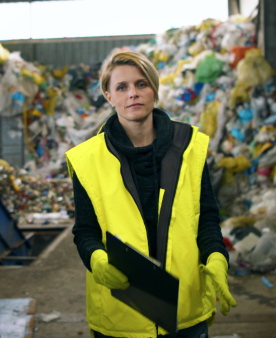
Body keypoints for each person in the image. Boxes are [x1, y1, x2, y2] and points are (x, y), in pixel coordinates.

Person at [65, 51, 236, 338]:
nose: (133, 93)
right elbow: (85, 230)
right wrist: (97, 260)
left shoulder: (189, 147)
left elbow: (206, 217)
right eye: (122, 87)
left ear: (154, 89)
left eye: (141, 84)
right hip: (122, 315)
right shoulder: (88, 159)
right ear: (109, 96)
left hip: (185, 309)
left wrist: (217, 257)